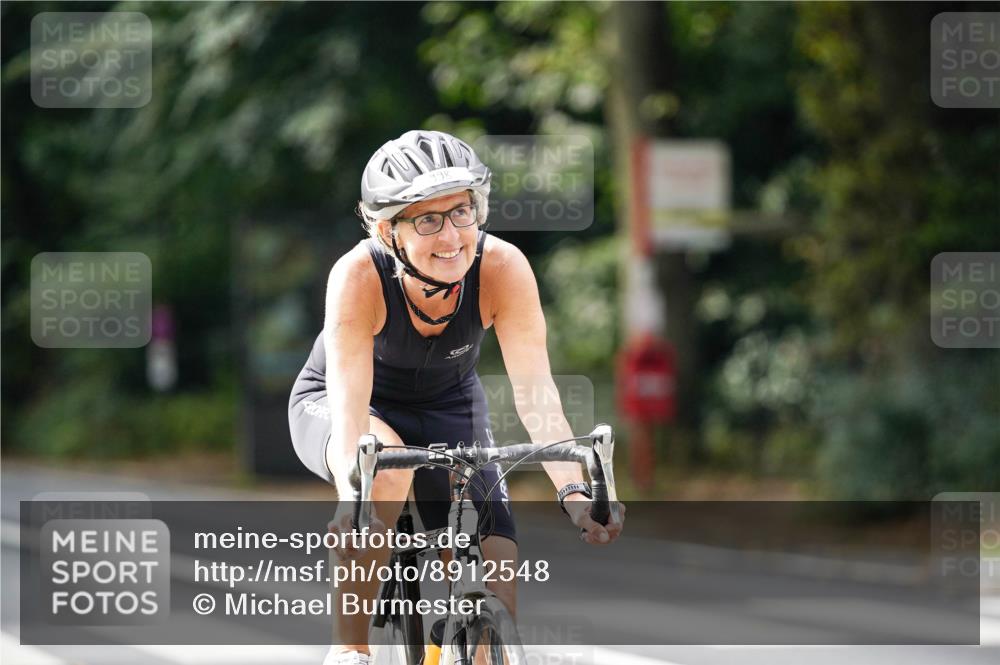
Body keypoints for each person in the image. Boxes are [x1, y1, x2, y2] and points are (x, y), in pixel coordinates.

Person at [288, 130, 624, 665]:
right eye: (427, 219)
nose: (451, 235)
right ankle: (349, 649)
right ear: (386, 230)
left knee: (496, 566)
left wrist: (577, 496)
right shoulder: (357, 277)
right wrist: (354, 500)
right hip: (350, 405)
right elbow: (352, 418)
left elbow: (538, 397)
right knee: (386, 468)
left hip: (449, 404)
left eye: (463, 211)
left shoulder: (503, 268)